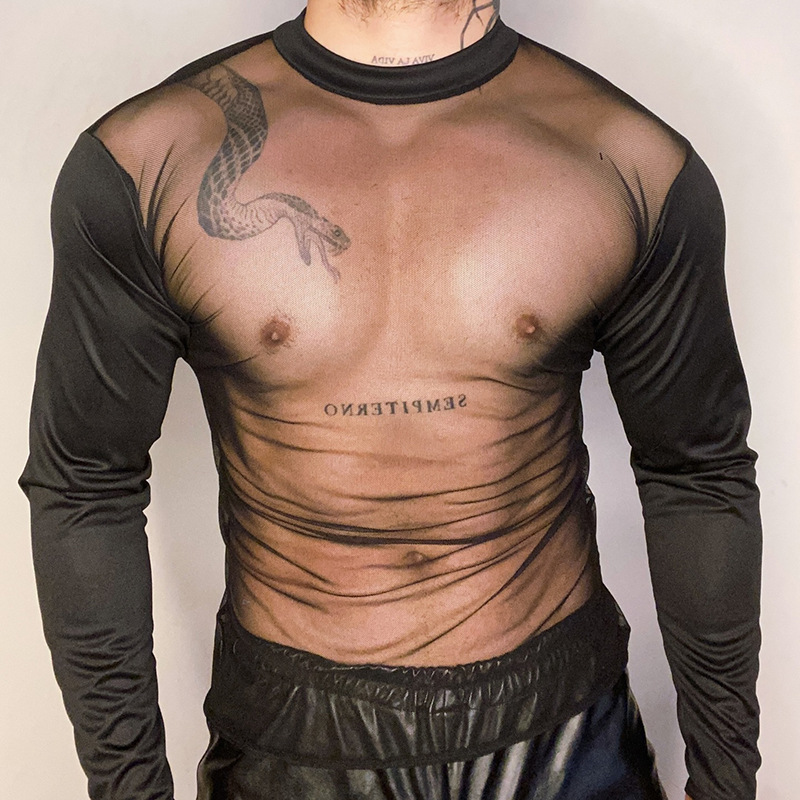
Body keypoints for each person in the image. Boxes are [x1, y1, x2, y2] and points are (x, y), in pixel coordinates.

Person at [20, 1, 762, 798]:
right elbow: (86, 484)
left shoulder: (625, 157)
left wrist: (726, 785)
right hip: (295, 748)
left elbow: (696, 474)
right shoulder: (152, 156)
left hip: (565, 738)